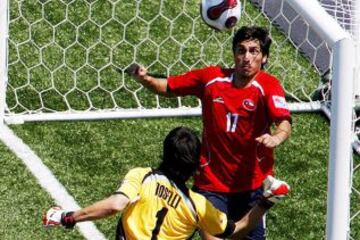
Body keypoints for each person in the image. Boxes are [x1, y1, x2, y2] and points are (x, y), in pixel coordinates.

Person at [125, 26, 292, 239]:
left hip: (253, 183)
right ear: (234, 54)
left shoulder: (268, 86)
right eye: (241, 51)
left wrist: (277, 137)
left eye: (254, 51)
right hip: (212, 183)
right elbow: (168, 87)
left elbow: (284, 121)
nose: (246, 58)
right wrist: (144, 78)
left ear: (265, 57)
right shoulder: (212, 78)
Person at [43, 127, 290, 239]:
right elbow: (235, 229)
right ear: (195, 167)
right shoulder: (199, 206)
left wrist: (68, 217)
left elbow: (117, 205)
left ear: (163, 152)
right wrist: (266, 202)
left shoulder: (142, 176)